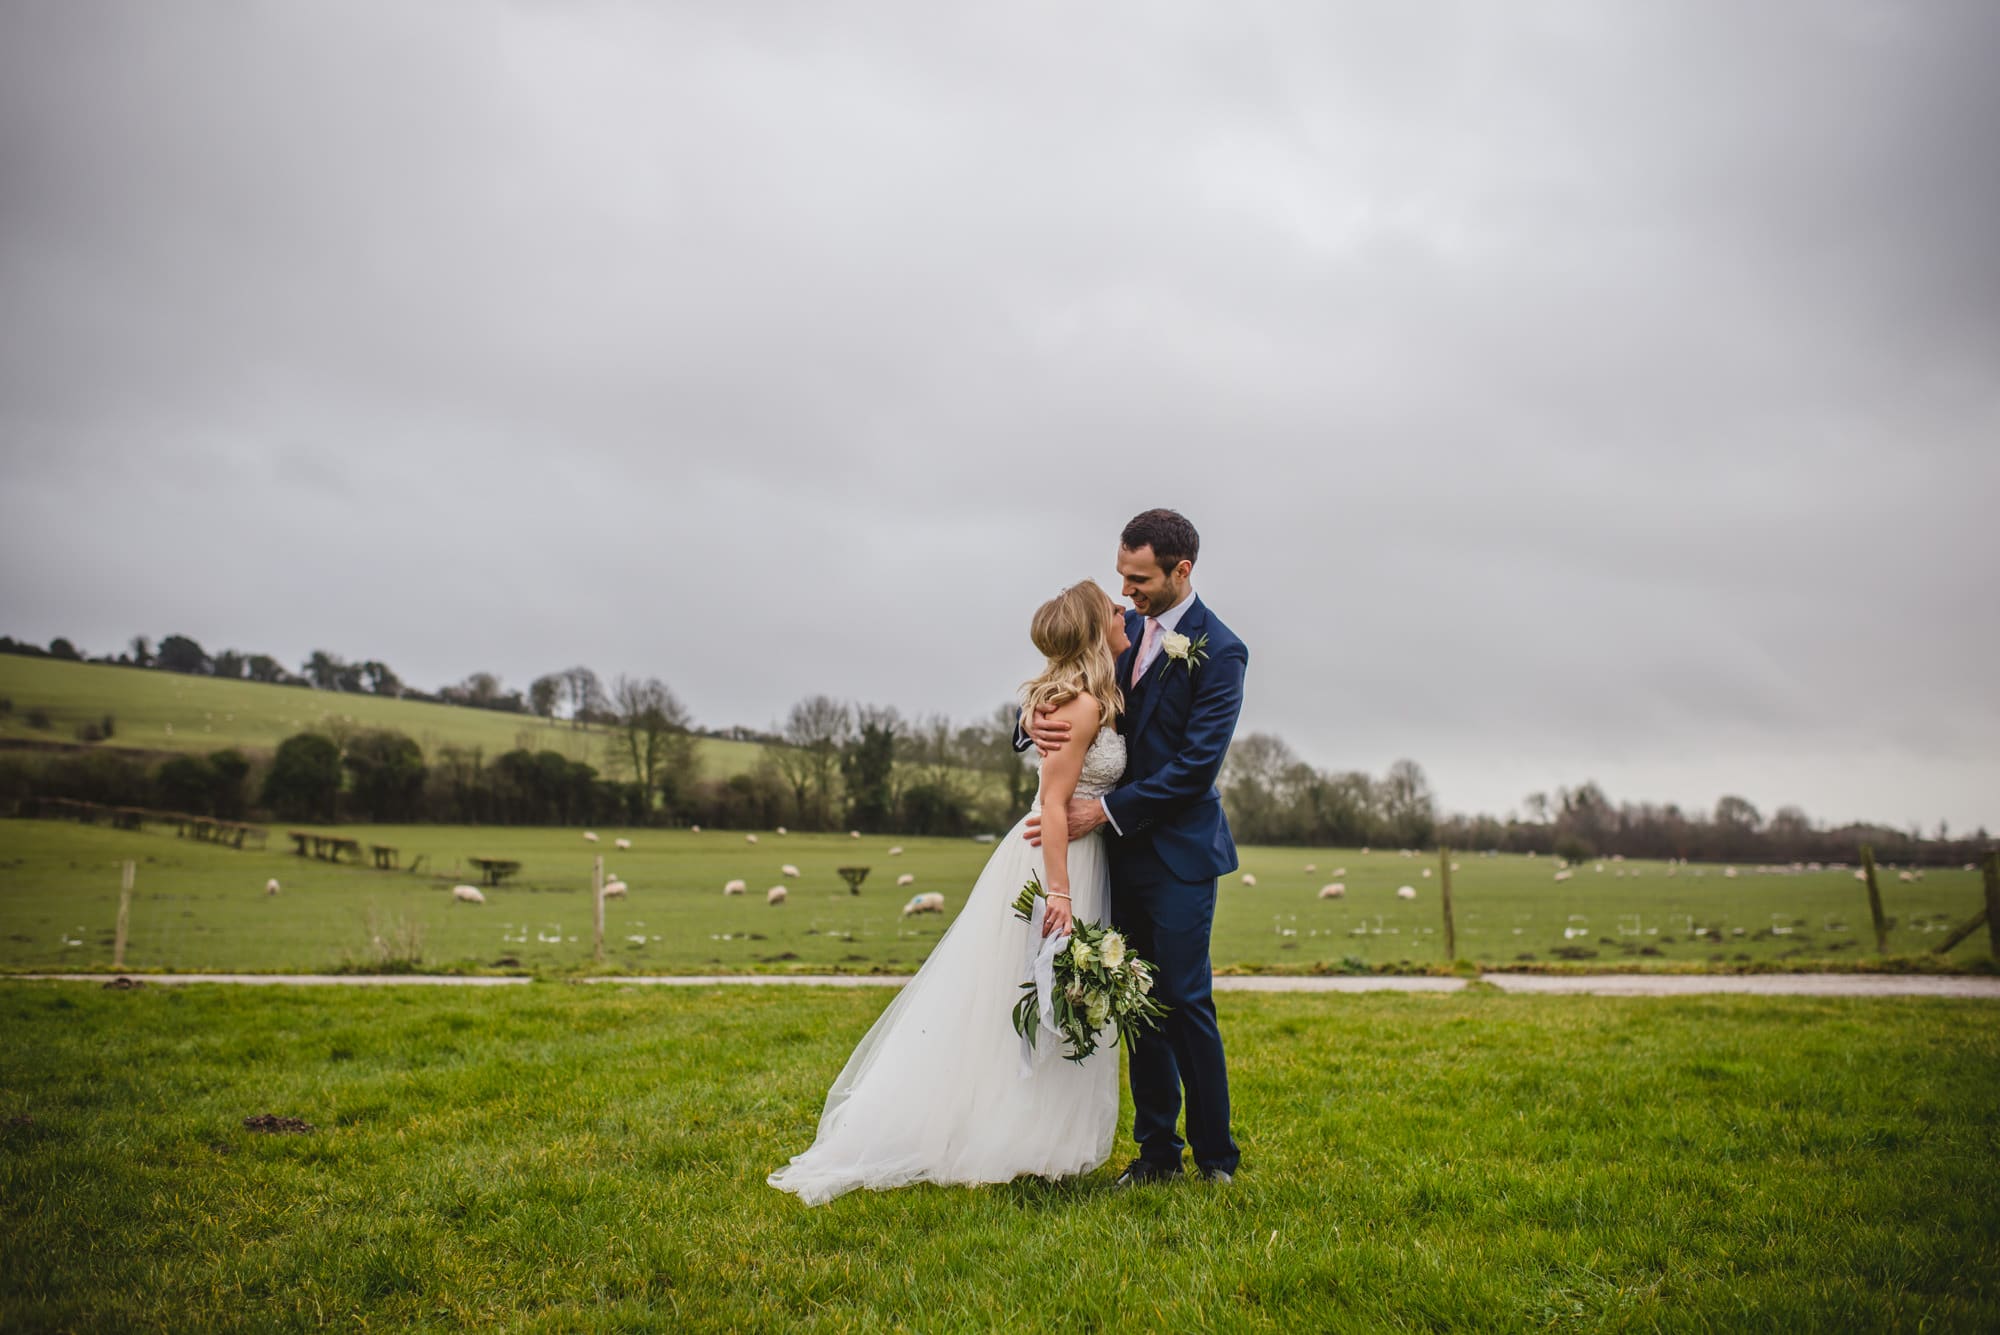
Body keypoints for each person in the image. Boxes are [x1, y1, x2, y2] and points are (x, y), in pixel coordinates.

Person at [768, 581, 1132, 1205]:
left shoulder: (1090, 696)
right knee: (1027, 996)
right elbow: (1051, 800)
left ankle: (1039, 1137)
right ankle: (1007, 1136)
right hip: (1058, 857)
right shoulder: (1081, 706)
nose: (1125, 612)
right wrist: (1061, 896)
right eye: (1114, 609)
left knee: (1041, 999)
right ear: (1098, 630)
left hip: (1079, 853)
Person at [1022, 508, 1247, 1185]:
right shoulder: (1122, 631)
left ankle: (1216, 1158)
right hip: (1119, 859)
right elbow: (1070, 681)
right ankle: (1156, 1154)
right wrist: (1028, 720)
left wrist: (1105, 811)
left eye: (1141, 578)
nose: (1128, 591)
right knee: (1134, 999)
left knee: (1184, 999)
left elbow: (1196, 766)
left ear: (1183, 570)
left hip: (1178, 853)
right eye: (1123, 575)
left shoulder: (1221, 648)